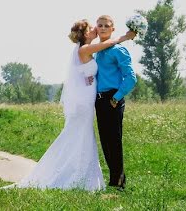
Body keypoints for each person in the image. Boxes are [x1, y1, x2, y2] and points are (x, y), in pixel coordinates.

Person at [16, 20, 135, 190]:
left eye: (102, 26)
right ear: (86, 34)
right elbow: (111, 42)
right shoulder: (85, 49)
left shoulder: (89, 50)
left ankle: (95, 176)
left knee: (91, 136)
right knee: (85, 135)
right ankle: (78, 173)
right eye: (93, 27)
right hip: (87, 100)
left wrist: (90, 78)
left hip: (92, 98)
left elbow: (91, 71)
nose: (97, 29)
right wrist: (126, 36)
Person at [93, 14, 137, 189]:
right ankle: (114, 181)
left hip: (113, 99)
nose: (102, 28)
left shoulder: (119, 50)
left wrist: (116, 98)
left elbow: (131, 78)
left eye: (106, 25)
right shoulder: (97, 51)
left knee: (114, 141)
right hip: (99, 100)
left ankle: (118, 184)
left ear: (112, 29)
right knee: (105, 141)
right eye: (100, 25)